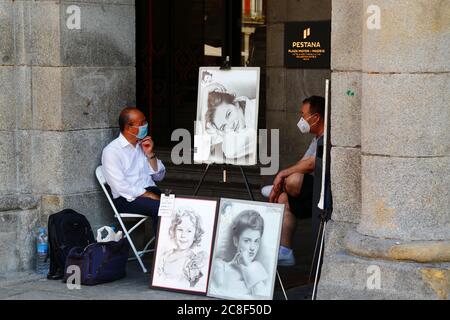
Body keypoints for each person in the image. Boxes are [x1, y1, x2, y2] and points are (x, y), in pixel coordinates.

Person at [263, 96, 325, 267]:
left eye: (303, 115)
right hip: (311, 195)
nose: (301, 120)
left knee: (294, 179)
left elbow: (312, 163)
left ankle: (284, 187)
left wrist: (282, 175)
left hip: (325, 192)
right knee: (283, 200)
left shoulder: (328, 137)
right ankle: (285, 251)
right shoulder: (315, 139)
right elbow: (302, 162)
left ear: (316, 117)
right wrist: (282, 182)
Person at [101, 107, 166, 233]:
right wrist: (148, 195)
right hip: (128, 198)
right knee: (162, 209)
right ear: (128, 127)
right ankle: (162, 250)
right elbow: (120, 186)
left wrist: (150, 154)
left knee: (181, 205)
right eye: (141, 123)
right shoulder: (112, 151)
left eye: (145, 122)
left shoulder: (142, 145)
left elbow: (159, 177)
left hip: (151, 192)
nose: (145, 126)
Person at [210, 210, 269, 298]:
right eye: (247, 241)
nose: (252, 248)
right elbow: (221, 292)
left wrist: (248, 265)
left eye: (256, 241)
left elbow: (263, 299)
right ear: (236, 241)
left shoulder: (258, 267)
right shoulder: (220, 265)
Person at [203, 86, 257, 160]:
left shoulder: (255, 111)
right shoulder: (240, 128)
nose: (230, 125)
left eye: (228, 114)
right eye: (223, 126)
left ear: (235, 103)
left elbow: (231, 151)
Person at [158, 208, 207, 288]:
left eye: (189, 231)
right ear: (173, 231)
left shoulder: (194, 260)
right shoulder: (165, 256)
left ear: (195, 235)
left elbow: (194, 286)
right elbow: (158, 277)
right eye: (180, 229)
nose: (183, 235)